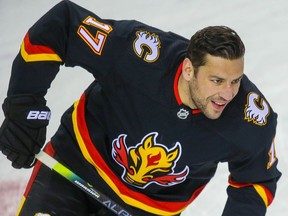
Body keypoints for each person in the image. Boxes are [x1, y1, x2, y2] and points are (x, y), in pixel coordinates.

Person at [0, 0, 281, 215]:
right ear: (188, 70)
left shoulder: (251, 118)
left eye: (235, 81)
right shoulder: (139, 54)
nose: (227, 93)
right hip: (75, 167)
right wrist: (24, 108)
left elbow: (255, 181)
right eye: (217, 80)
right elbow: (62, 26)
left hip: (148, 209)